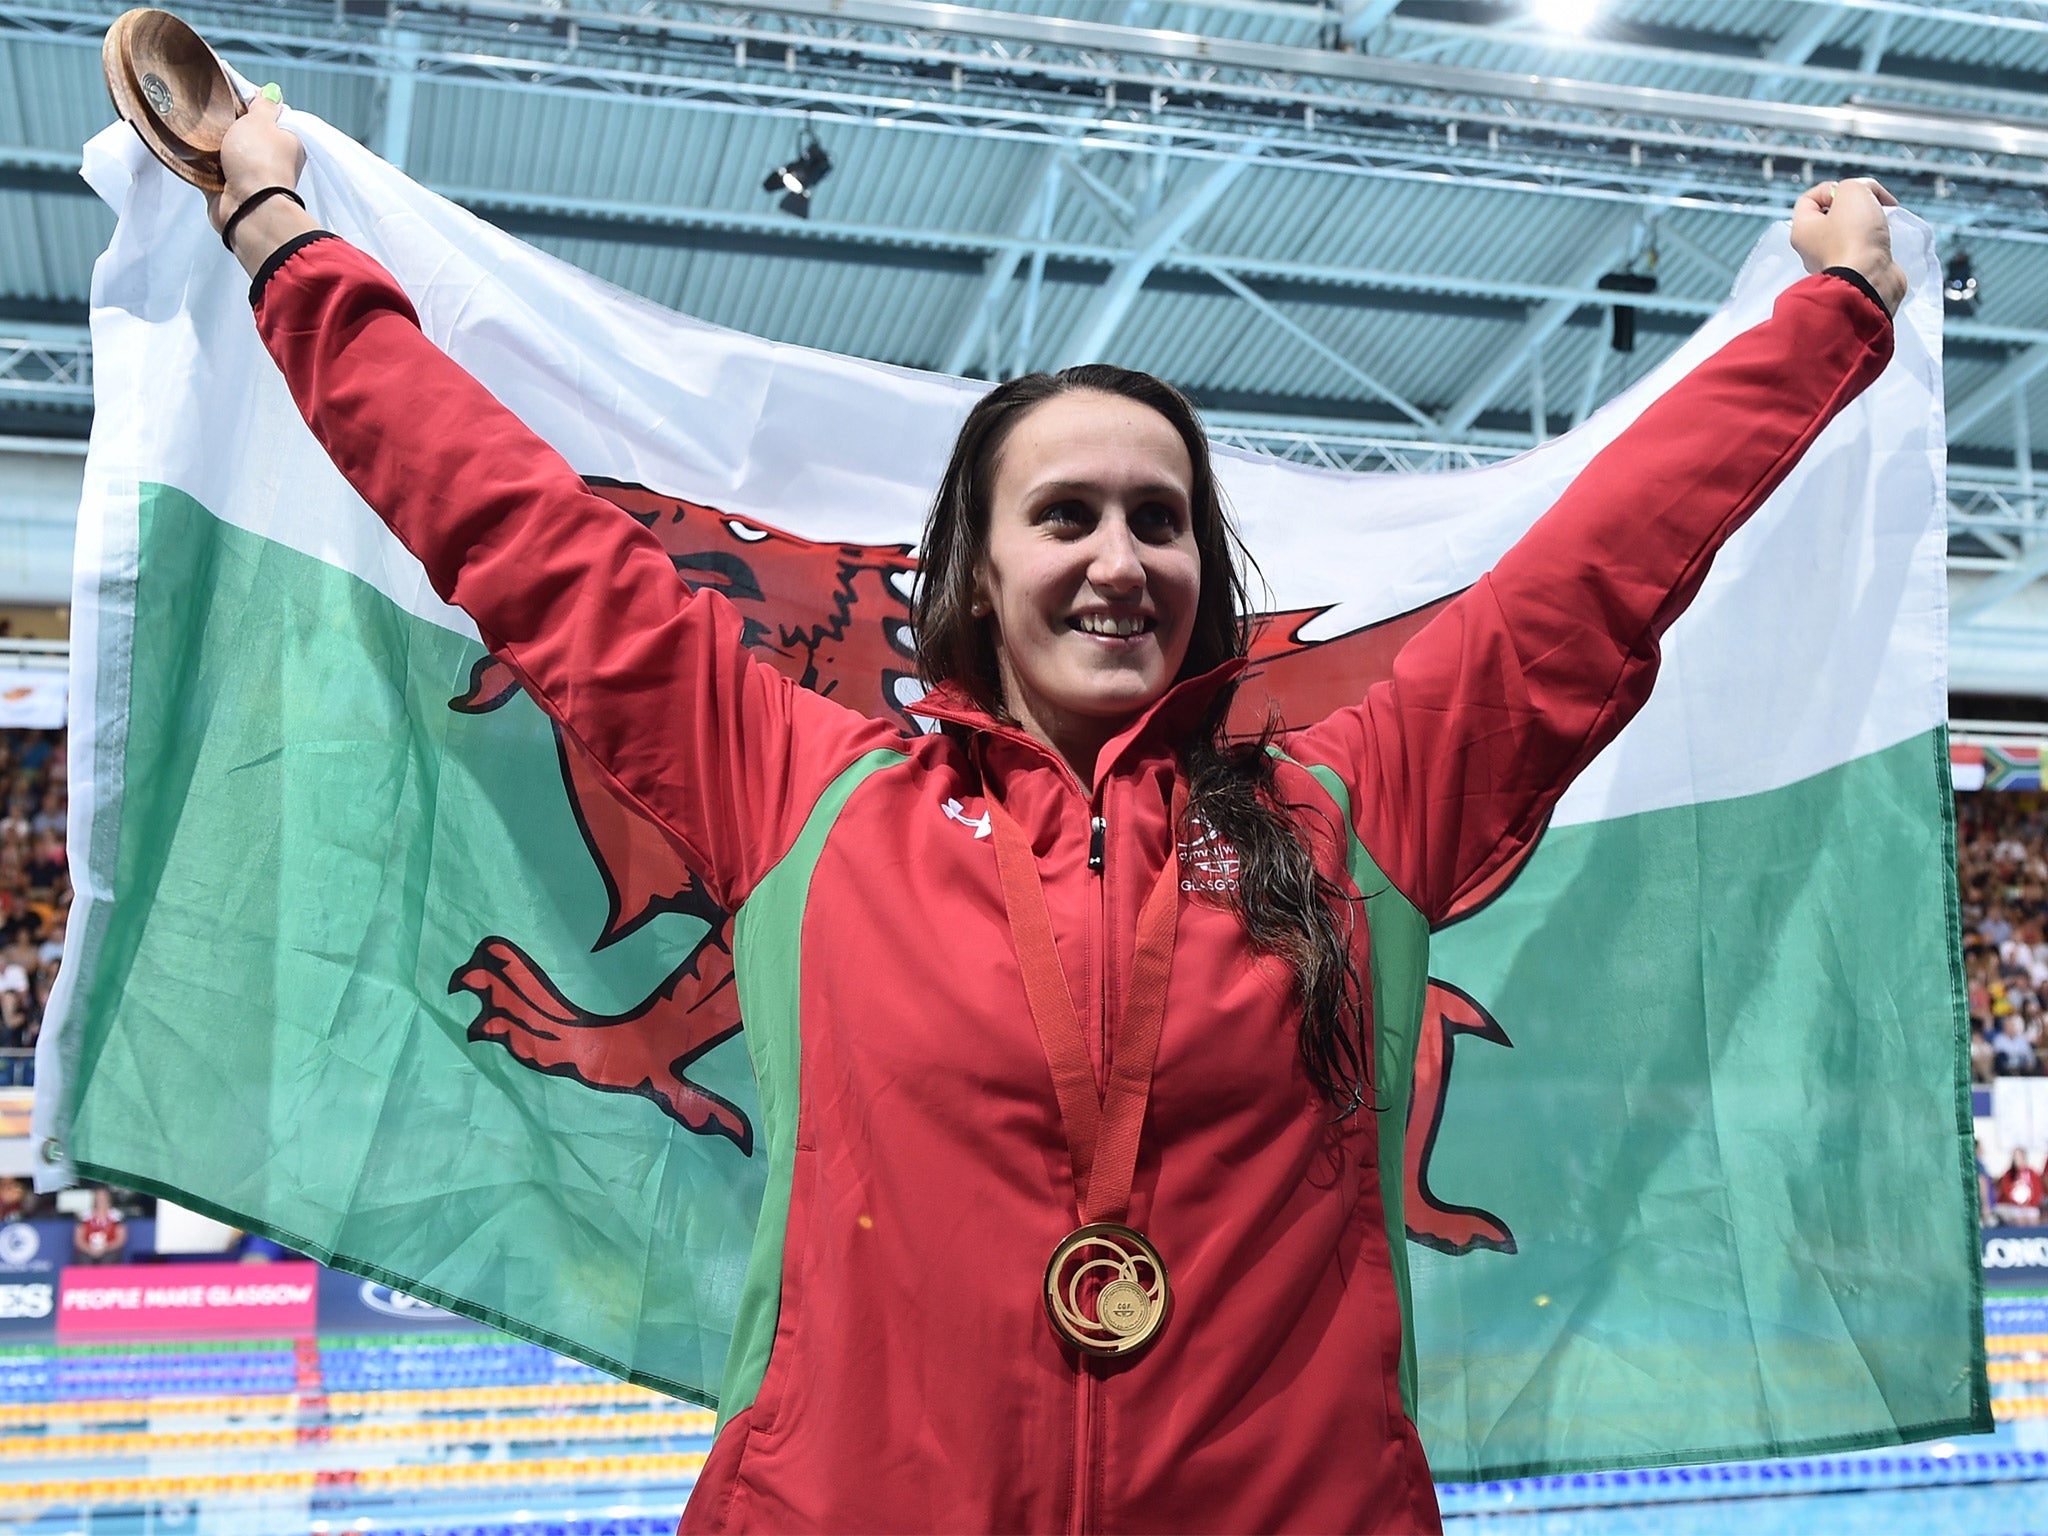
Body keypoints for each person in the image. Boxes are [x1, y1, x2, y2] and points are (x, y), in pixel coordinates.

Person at [201, 92, 1904, 1534]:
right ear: (974, 574)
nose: (1117, 558)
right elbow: (520, 536)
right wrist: (283, 239)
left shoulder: (1349, 811)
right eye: (1065, 514)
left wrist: (1828, 318)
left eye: (1158, 520)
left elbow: (1594, 578)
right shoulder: (802, 794)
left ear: (1204, 573)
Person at [73, 1186, 127, 1265]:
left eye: (103, 1197)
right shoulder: (84, 1216)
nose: (101, 1200)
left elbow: (120, 1240)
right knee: (84, 1259)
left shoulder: (117, 1216)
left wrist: (105, 1248)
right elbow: (78, 1239)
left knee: (109, 1259)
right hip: (88, 1250)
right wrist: (89, 1249)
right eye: (98, 1197)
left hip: (108, 1250)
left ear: (109, 1199)